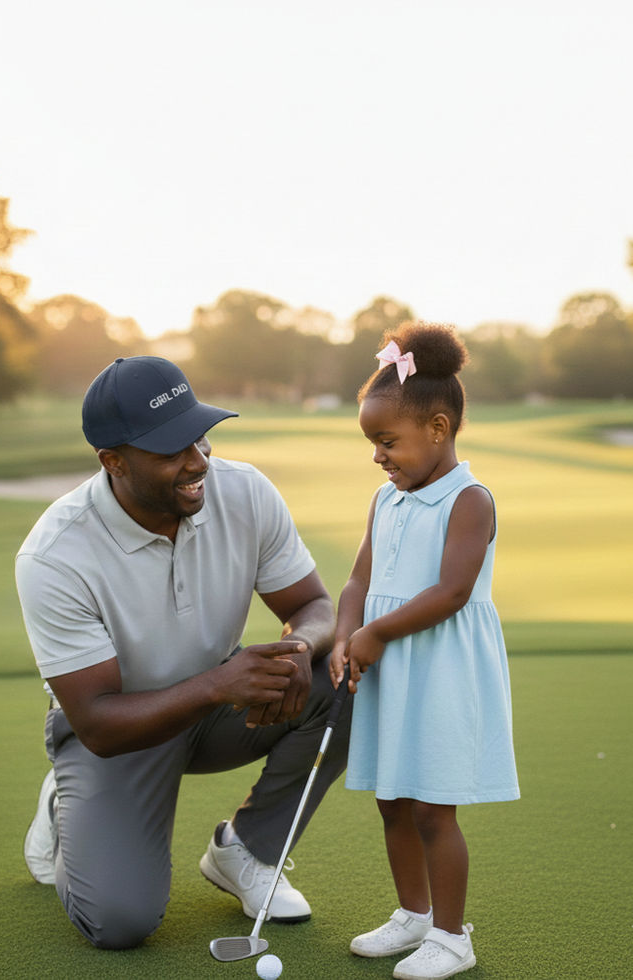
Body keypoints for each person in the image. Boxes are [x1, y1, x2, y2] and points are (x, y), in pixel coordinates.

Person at [15, 355, 351, 950]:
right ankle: (66, 805)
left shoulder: (244, 490)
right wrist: (220, 686)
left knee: (346, 675)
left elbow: (315, 605)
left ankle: (247, 852)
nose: (198, 460)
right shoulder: (54, 555)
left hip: (220, 703)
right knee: (119, 923)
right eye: (171, 448)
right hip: (117, 732)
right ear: (112, 462)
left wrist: (299, 645)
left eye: (199, 434)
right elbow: (96, 720)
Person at [329, 323, 520, 980]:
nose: (378, 457)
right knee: (392, 800)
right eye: (372, 444)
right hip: (388, 667)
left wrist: (375, 633)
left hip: (438, 668)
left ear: (437, 428)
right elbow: (358, 578)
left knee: (434, 808)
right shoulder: (385, 499)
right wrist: (345, 631)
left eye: (387, 442)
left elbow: (451, 591)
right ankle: (411, 915)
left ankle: (449, 935)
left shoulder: (468, 500)